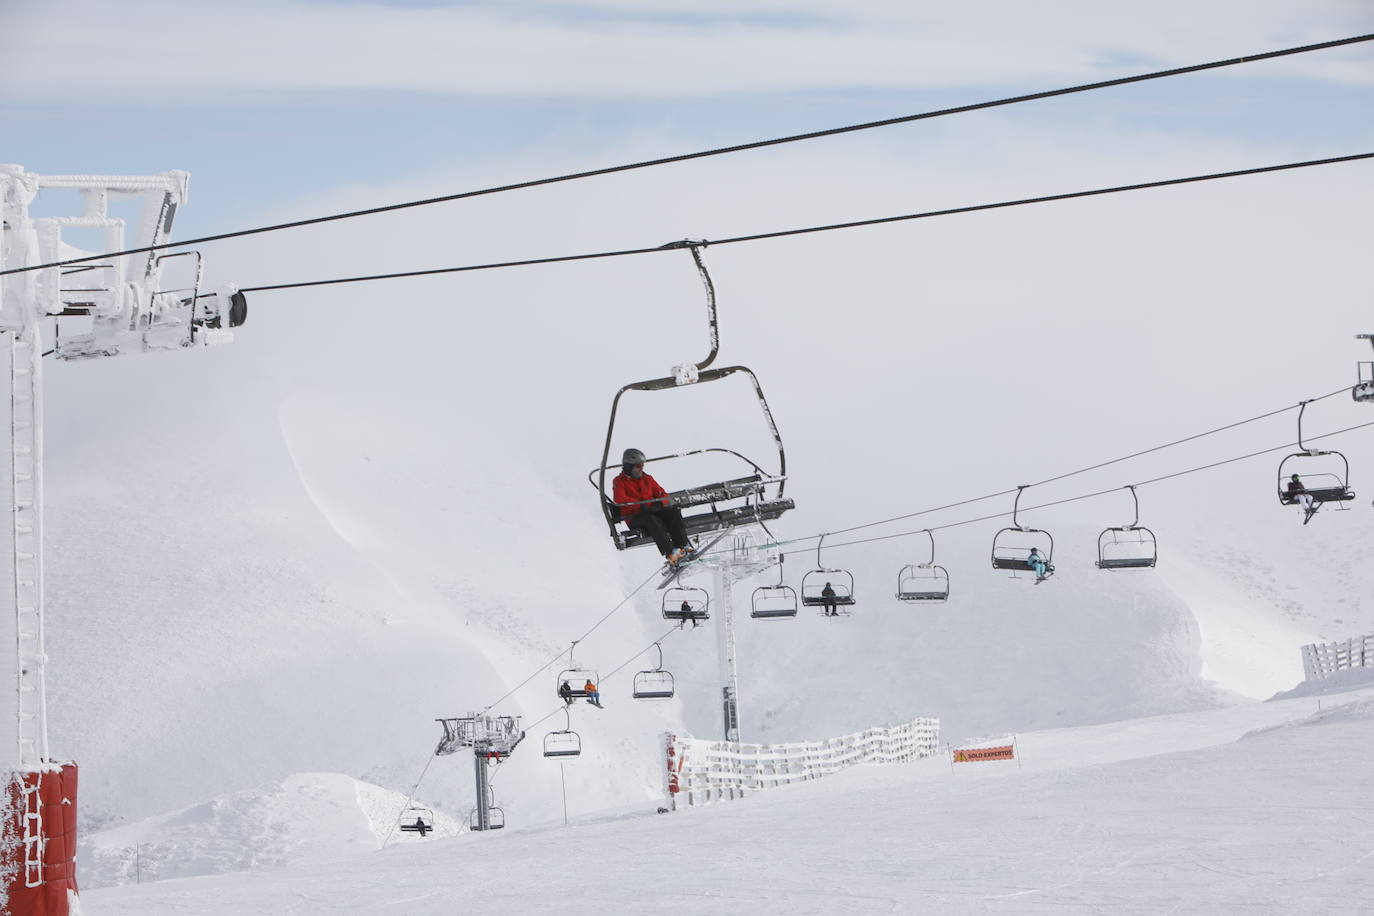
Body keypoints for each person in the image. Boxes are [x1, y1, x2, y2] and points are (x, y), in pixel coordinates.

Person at [612, 448, 693, 564]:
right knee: (651, 519)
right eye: (638, 466)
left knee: (673, 512)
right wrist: (641, 505)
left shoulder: (647, 479)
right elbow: (620, 499)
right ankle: (670, 554)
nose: (641, 469)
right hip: (634, 517)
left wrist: (660, 503)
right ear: (629, 467)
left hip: (651, 512)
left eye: (642, 466)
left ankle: (682, 548)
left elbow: (662, 494)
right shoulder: (619, 481)